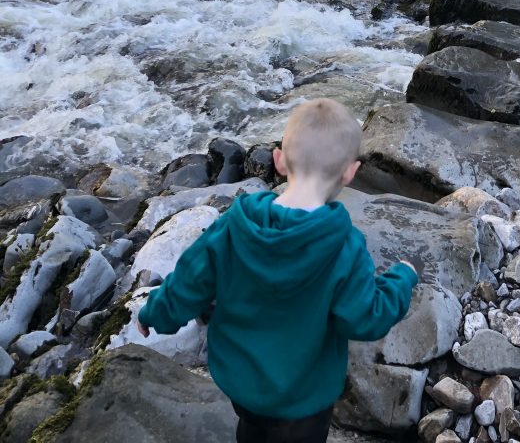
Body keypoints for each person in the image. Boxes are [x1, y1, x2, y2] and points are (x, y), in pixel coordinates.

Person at [137, 97, 419, 443]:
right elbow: (364, 317)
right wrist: (402, 279)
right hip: (306, 396)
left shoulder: (234, 225)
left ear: (279, 160)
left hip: (243, 384)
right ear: (350, 172)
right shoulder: (345, 245)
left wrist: (155, 313)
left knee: (253, 432)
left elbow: (189, 281)